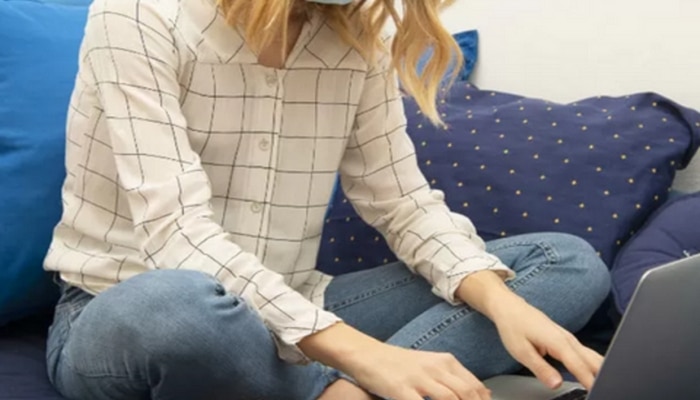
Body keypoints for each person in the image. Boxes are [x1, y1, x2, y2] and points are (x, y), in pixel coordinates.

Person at [43, 0, 611, 399]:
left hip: (299, 303)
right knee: (178, 307)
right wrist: (368, 355)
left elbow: (402, 202)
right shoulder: (136, 14)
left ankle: (349, 390)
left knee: (566, 264)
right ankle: (335, 387)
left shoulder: (358, 45)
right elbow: (177, 232)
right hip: (125, 308)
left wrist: (499, 301)